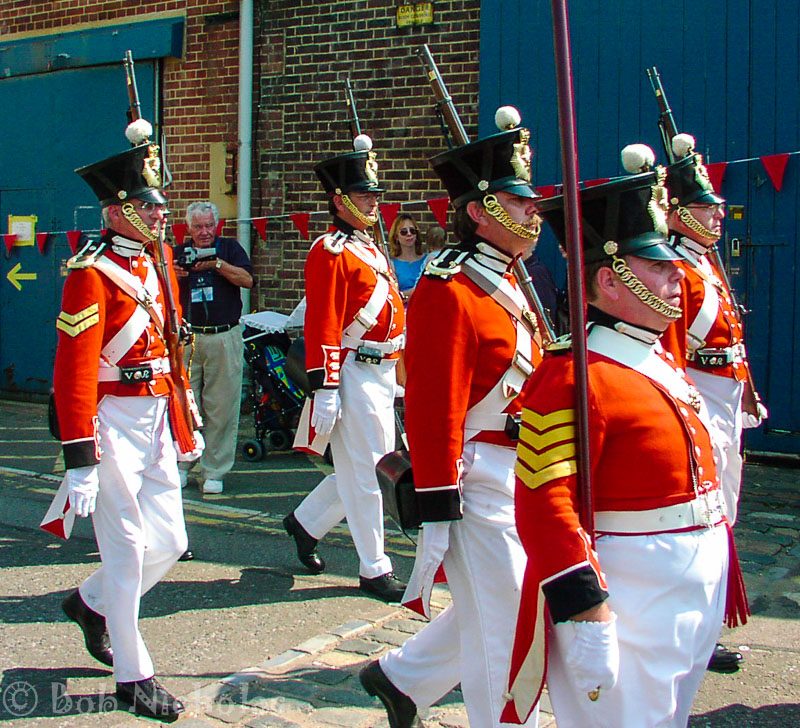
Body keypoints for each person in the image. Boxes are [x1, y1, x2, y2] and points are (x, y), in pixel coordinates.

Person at [501, 167, 748, 727]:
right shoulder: (571, 375)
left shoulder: (658, 355)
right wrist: (585, 609)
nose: (676, 274)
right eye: (656, 266)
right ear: (610, 282)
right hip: (632, 592)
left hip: (692, 581)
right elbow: (544, 503)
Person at [360, 108, 545, 728]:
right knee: (506, 627)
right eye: (518, 203)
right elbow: (433, 404)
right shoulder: (449, 287)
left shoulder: (510, 280)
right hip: (478, 478)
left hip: (526, 469)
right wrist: (439, 501)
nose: (533, 212)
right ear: (480, 212)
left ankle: (401, 679)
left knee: (500, 602)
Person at [50, 118, 203, 720]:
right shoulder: (90, 273)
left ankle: (91, 604)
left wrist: (185, 415)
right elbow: (73, 371)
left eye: (160, 204)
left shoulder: (158, 262)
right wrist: (80, 458)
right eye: (149, 204)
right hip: (110, 420)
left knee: (171, 541)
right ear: (117, 211)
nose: (161, 213)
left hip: (158, 416)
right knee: (128, 549)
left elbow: (172, 347)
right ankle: (132, 677)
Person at [656, 134, 766, 673]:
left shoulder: (703, 262)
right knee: (706, 513)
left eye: (717, 207)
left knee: (724, 507)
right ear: (679, 214)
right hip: (701, 396)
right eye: (706, 208)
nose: (718, 215)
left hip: (725, 396)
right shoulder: (676, 270)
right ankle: (697, 625)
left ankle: (706, 620)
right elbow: (673, 351)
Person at [283, 134, 407, 603]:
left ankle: (305, 523)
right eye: (363, 194)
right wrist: (326, 386)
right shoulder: (330, 250)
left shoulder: (370, 248)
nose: (373, 202)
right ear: (339, 200)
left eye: (374, 194)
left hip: (381, 370)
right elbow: (323, 321)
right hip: (351, 370)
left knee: (363, 466)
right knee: (371, 473)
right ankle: (374, 568)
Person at [173, 201, 254, 495]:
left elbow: (248, 280)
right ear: (188, 228)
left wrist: (217, 264)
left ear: (216, 225)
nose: (204, 232)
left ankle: (214, 470)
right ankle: (183, 463)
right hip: (188, 337)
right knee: (184, 405)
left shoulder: (229, 248)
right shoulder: (178, 253)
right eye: (198, 227)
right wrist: (172, 274)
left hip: (224, 335)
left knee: (222, 407)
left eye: (209, 226)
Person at [388, 213, 426, 302]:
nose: (409, 234)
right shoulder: (391, 264)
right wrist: (418, 290)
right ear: (396, 237)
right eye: (404, 232)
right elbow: (394, 296)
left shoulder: (428, 259)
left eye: (412, 230)